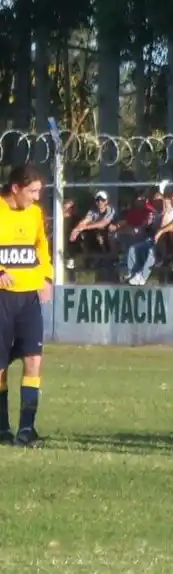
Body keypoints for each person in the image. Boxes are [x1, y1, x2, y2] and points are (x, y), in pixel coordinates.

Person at [0, 164, 53, 447]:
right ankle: (1, 428)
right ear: (16, 188)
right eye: (32, 191)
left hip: (29, 297)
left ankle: (26, 430)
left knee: (34, 360)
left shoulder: (34, 213)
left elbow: (41, 246)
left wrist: (46, 276)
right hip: (2, 298)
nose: (35, 198)